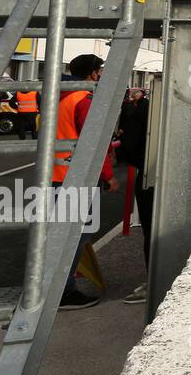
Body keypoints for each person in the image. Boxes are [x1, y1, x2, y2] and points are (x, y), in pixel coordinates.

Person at [56, 53, 116, 310]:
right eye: (100, 70)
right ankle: (63, 291)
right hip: (76, 176)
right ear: (93, 73)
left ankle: (54, 287)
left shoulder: (63, 97)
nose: (102, 74)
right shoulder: (86, 100)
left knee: (60, 235)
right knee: (75, 236)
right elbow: (94, 143)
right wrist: (109, 176)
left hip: (57, 174)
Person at [113, 87, 151, 305]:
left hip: (147, 176)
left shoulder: (137, 111)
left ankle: (154, 279)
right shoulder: (149, 110)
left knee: (151, 231)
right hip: (153, 173)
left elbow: (128, 146)